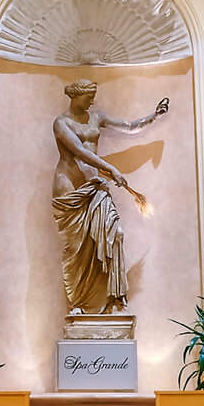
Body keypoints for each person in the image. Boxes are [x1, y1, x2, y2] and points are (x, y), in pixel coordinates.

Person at [51, 80, 168, 315]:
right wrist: (112, 169)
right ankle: (79, 305)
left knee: (115, 234)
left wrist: (152, 116)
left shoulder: (96, 118)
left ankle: (115, 300)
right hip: (71, 188)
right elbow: (80, 152)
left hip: (96, 186)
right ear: (76, 96)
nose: (92, 101)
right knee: (77, 248)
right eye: (89, 97)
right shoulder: (61, 123)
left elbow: (128, 125)